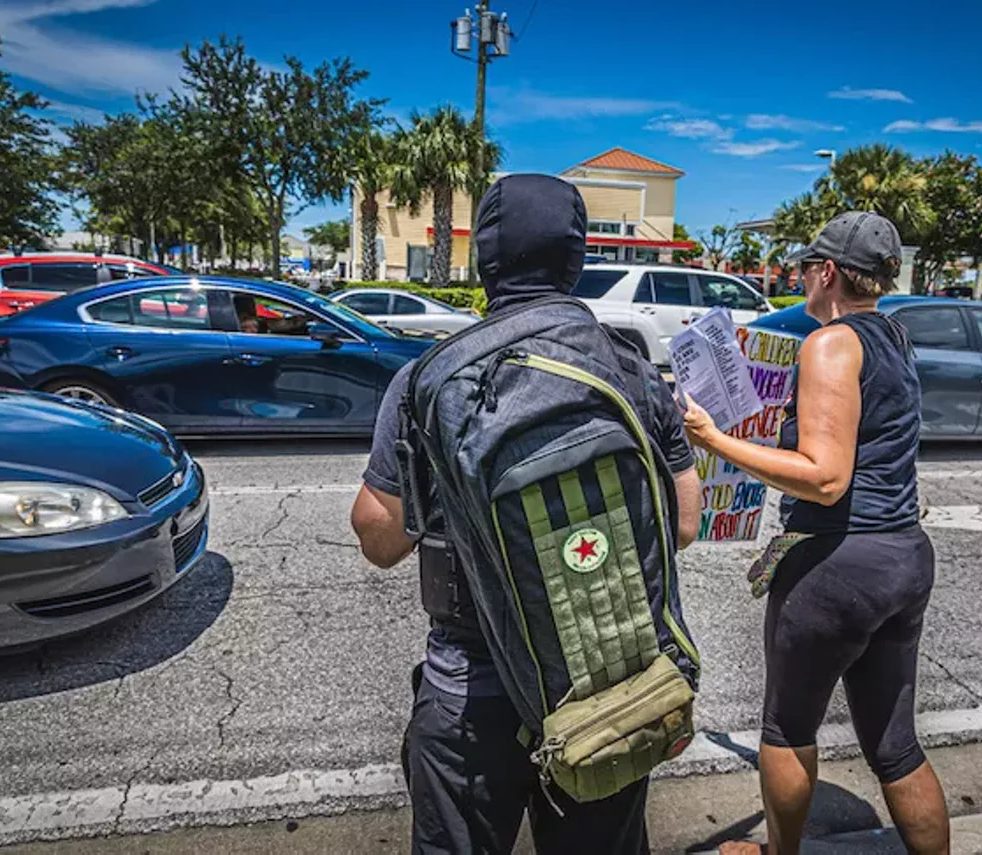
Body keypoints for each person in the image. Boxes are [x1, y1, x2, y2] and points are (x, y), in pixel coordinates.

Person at [351, 173, 703, 855]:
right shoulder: (632, 370)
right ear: (574, 262)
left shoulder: (429, 378)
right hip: (610, 684)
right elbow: (683, 523)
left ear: (483, 261)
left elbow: (378, 537)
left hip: (468, 695)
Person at [684, 212, 950, 855]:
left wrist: (717, 441)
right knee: (895, 744)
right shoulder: (894, 336)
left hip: (836, 564)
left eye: (805, 267)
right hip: (902, 555)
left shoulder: (829, 343)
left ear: (827, 272)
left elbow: (825, 479)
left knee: (787, 728)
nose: (800, 277)